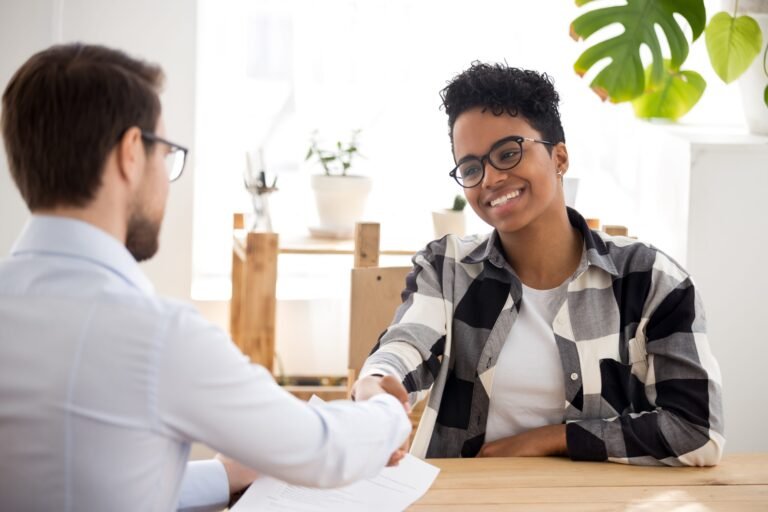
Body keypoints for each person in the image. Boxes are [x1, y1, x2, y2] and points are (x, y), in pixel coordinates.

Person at [0, 43, 411, 512]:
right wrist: (385, 408)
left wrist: (221, 476)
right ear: (131, 152)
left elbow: (94, 482)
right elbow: (322, 449)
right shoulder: (155, 334)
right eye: (166, 152)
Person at [352, 62, 724, 466]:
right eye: (471, 168)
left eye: (508, 153)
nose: (490, 179)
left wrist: (555, 439)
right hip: (468, 500)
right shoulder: (447, 267)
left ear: (559, 157)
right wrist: (374, 382)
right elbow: (407, 343)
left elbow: (697, 432)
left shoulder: (653, 281)